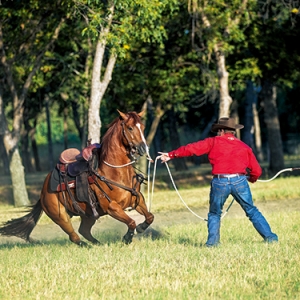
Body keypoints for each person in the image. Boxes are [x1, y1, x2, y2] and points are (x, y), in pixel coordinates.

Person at [158, 117, 278, 247]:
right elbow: (257, 171)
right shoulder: (244, 147)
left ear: (221, 130)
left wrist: (170, 155)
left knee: (215, 213)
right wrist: (251, 179)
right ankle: (270, 238)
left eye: (218, 131)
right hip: (240, 181)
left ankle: (212, 243)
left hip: (220, 182)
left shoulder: (213, 142)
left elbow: (192, 148)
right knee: (251, 211)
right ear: (233, 131)